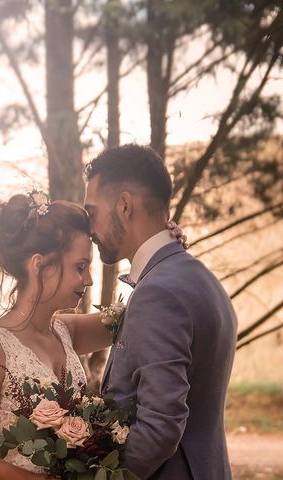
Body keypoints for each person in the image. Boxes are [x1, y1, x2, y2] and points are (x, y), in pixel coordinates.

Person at [0, 191, 184, 479]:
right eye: (80, 267)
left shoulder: (65, 331)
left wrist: (163, 250)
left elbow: (141, 315)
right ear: (40, 266)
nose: (89, 279)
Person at [84, 144, 237, 479]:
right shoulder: (200, 278)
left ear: (124, 205)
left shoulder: (159, 293)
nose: (90, 229)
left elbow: (160, 428)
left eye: (91, 212)